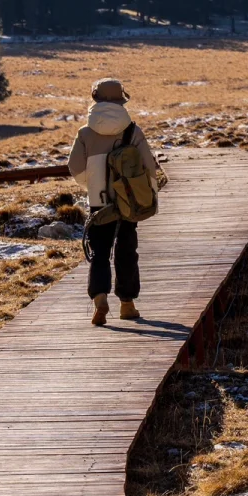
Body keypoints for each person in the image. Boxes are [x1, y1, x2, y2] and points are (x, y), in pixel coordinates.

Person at [67, 77, 162, 326]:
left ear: (95, 98)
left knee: (100, 252)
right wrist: (150, 194)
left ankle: (100, 300)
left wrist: (92, 186)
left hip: (99, 204)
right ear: (121, 100)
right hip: (129, 202)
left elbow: (74, 167)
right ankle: (127, 305)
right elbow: (148, 167)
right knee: (127, 251)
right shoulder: (132, 130)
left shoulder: (85, 133)